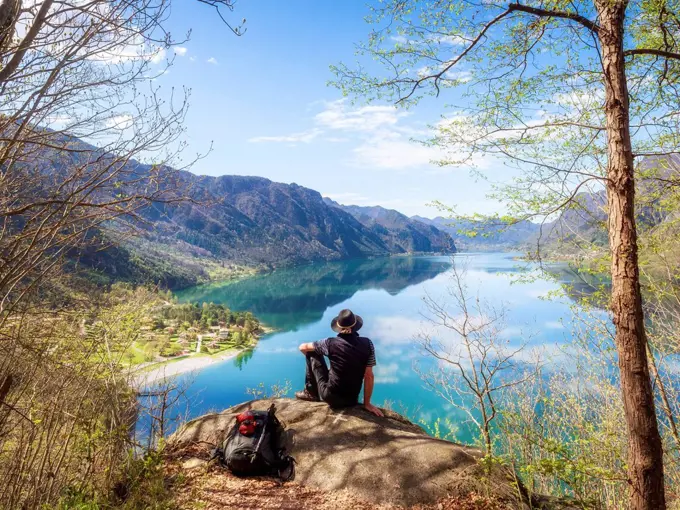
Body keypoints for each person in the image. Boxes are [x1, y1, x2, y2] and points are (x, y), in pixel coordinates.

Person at [295, 309, 384, 417]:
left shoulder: (330, 343)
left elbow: (302, 347)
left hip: (330, 397)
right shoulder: (368, 344)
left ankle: (310, 393)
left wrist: (319, 367)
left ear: (338, 327)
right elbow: (369, 376)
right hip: (351, 400)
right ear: (355, 326)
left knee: (311, 353)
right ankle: (312, 392)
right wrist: (367, 404)